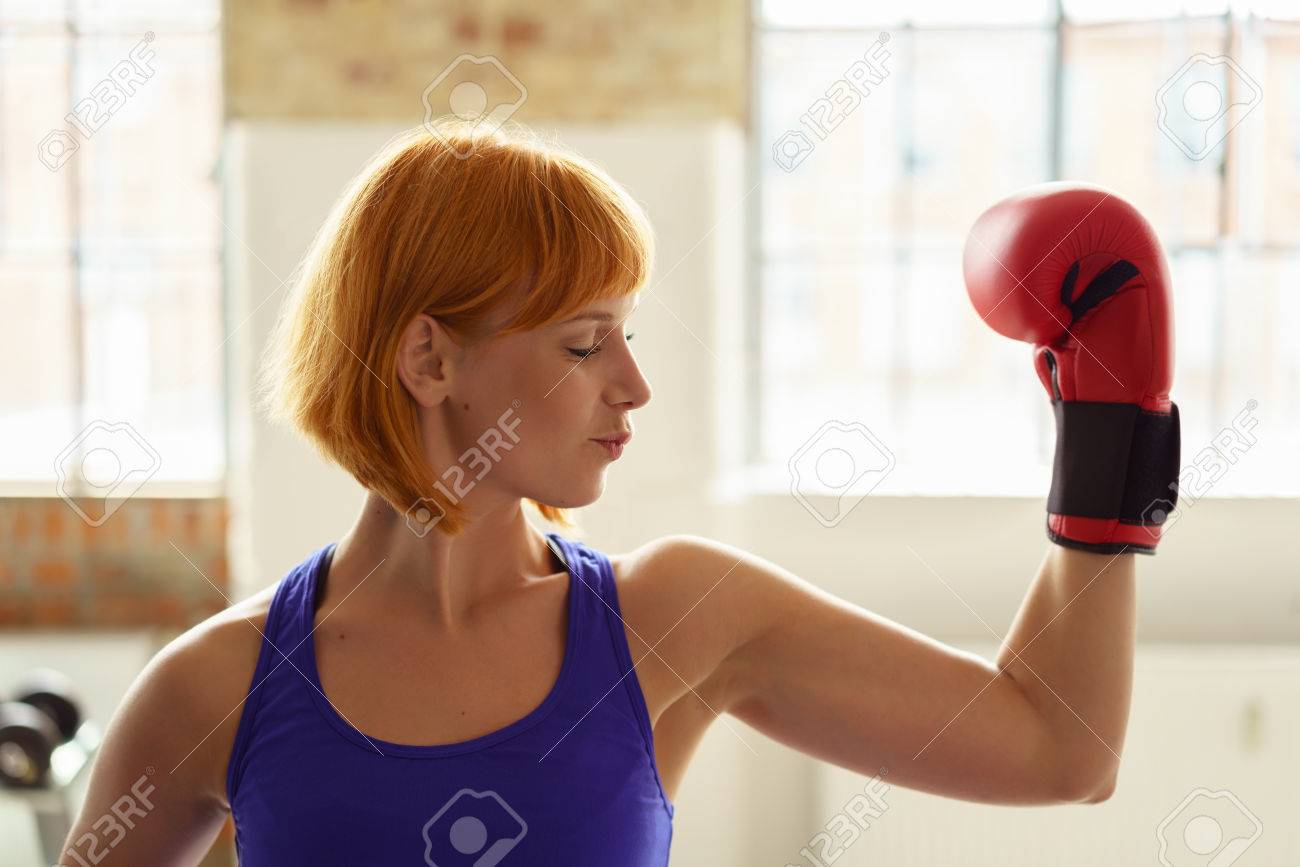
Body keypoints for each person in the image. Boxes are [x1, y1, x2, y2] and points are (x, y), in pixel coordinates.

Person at [58, 122, 1176, 866]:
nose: (634, 385)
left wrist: (1109, 435)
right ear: (430, 360)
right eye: (586, 343)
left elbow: (1060, 752)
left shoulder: (678, 617)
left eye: (627, 335)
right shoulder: (216, 685)